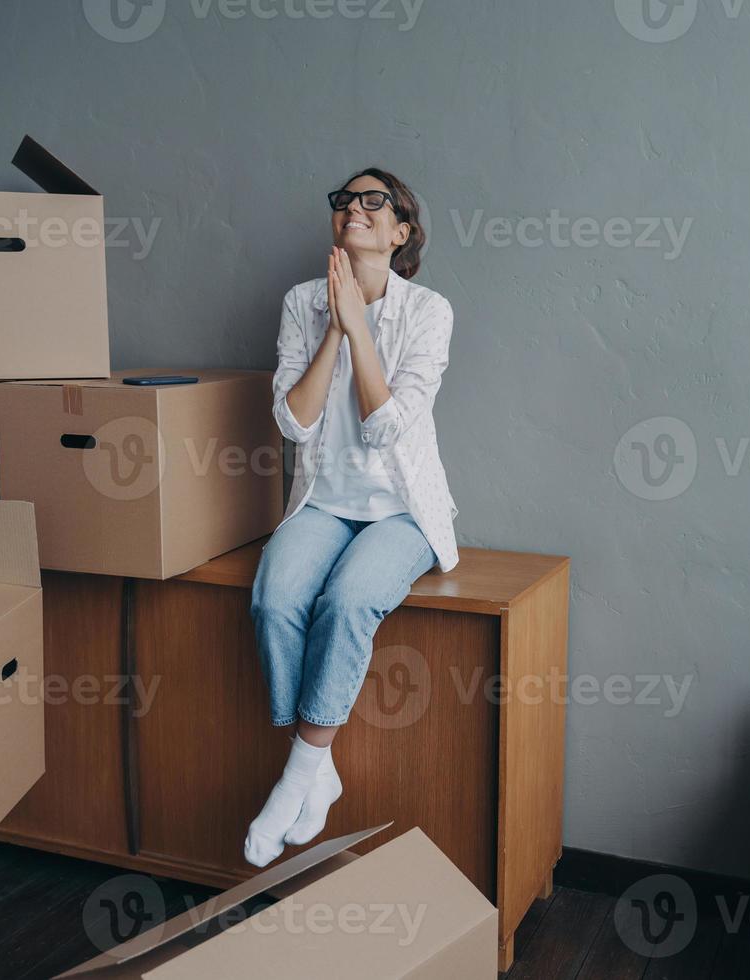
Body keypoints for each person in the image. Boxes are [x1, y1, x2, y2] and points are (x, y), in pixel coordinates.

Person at [243, 168, 459, 867]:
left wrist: (362, 328)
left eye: (375, 202)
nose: (354, 210)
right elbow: (294, 424)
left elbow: (388, 429)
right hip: (324, 502)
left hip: (401, 510)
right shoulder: (301, 303)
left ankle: (298, 773)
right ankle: (317, 763)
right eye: (344, 201)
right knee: (275, 599)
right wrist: (334, 330)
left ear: (401, 232)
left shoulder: (430, 311)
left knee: (348, 600)